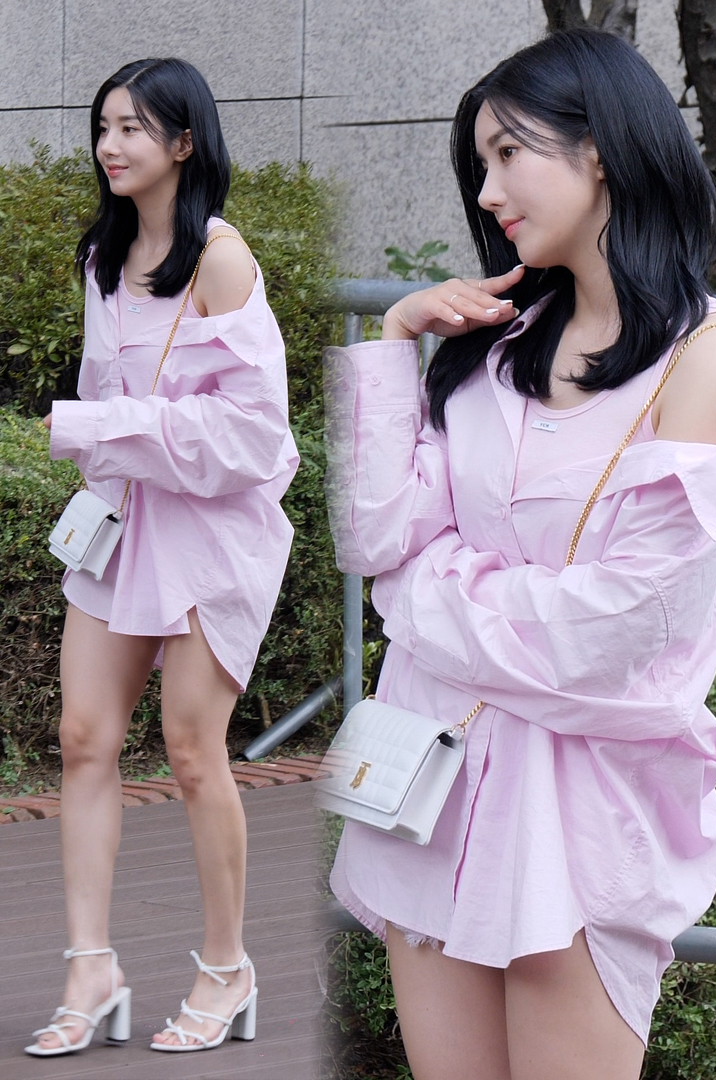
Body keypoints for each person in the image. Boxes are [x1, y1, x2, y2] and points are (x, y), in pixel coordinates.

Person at [323, 29, 716, 1080]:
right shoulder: (491, 344)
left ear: (599, 148)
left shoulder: (707, 358)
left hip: (580, 810)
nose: (487, 191)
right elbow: (374, 539)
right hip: (432, 784)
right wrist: (393, 346)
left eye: (509, 153)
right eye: (479, 164)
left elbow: (617, 629)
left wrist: (424, 594)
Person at [26, 57, 298, 1058]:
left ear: (185, 142)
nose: (111, 145)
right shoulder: (104, 257)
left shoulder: (220, 261)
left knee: (190, 749)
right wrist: (100, 440)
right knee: (84, 737)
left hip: (212, 534)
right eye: (103, 126)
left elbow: (254, 439)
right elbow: (109, 408)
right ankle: (90, 969)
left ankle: (227, 969)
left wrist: (96, 428)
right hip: (123, 523)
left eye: (134, 127)